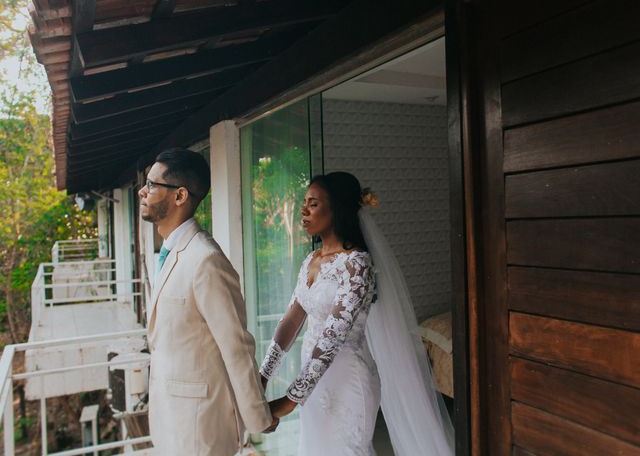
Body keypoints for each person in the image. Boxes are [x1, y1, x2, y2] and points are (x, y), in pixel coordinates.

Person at [260, 172, 454, 456]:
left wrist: (288, 400)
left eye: (312, 203)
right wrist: (262, 377)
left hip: (348, 380)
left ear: (336, 208)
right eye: (304, 202)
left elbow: (333, 337)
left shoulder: (357, 264)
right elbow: (291, 321)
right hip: (312, 380)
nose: (303, 210)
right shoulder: (310, 261)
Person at [139, 148, 278, 455]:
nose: (142, 191)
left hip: (201, 426)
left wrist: (258, 417)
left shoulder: (207, 260)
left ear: (180, 196)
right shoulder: (170, 253)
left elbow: (236, 347)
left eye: (151, 184)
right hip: (169, 416)